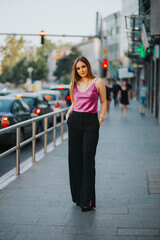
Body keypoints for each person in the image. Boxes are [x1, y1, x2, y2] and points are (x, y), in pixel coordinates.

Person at [66, 56, 107, 212]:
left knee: (88, 159)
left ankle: (87, 200)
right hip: (75, 121)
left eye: (83, 66)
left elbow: (103, 102)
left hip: (91, 122)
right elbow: (74, 102)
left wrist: (100, 119)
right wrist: (68, 114)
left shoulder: (98, 82)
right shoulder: (74, 83)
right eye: (78, 68)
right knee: (74, 160)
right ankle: (78, 197)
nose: (81, 70)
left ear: (88, 66)